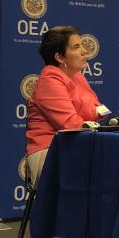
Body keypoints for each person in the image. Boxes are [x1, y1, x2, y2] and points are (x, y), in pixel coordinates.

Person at [25, 26, 105, 186]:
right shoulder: (49, 81)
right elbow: (70, 124)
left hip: (75, 147)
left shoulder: (77, 77)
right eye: (76, 47)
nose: (84, 51)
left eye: (82, 45)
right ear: (60, 57)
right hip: (50, 151)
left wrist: (87, 116)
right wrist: (88, 115)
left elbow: (100, 110)